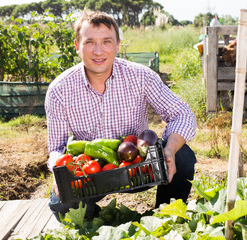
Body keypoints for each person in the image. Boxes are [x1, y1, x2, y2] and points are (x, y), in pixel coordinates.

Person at [45, 10, 197, 221]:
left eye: (106, 41)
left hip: (138, 167)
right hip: (92, 174)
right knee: (60, 202)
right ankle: (94, 223)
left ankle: (166, 216)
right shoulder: (60, 89)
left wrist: (169, 149)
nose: (98, 51)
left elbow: (182, 113)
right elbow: (57, 148)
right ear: (77, 46)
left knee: (182, 156)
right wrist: (58, 174)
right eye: (89, 42)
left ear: (117, 45)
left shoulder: (140, 76)